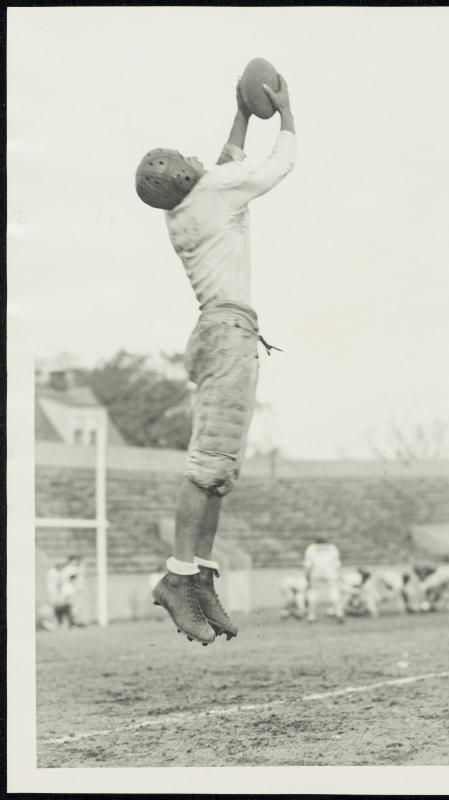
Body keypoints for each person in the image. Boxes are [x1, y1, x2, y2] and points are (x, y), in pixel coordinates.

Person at [135, 76, 296, 646]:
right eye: (186, 158)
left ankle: (198, 576)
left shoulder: (186, 206)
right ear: (182, 175)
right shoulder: (212, 191)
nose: (196, 156)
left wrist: (241, 115)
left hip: (220, 328)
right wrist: (287, 114)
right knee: (208, 464)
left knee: (220, 467)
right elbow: (278, 165)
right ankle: (179, 577)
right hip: (228, 331)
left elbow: (226, 163)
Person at [303, 537, 344, 623]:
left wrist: (306, 576)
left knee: (313, 592)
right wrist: (339, 576)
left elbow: (308, 564)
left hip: (316, 571)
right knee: (334, 591)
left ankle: (311, 615)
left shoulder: (311, 548)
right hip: (331, 572)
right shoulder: (332, 548)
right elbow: (337, 564)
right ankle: (339, 613)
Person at [46, 560, 75, 629]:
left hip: (58, 593)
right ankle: (58, 624)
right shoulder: (53, 572)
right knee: (58, 609)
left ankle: (63, 624)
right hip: (56, 593)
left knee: (64, 608)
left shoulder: (58, 572)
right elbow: (57, 583)